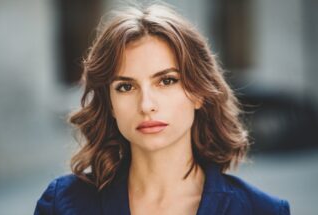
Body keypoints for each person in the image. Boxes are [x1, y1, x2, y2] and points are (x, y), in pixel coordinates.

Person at [34, 3, 290, 215]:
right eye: (125, 87)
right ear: (110, 104)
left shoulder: (262, 210)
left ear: (198, 93)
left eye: (166, 81)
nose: (146, 105)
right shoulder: (63, 204)